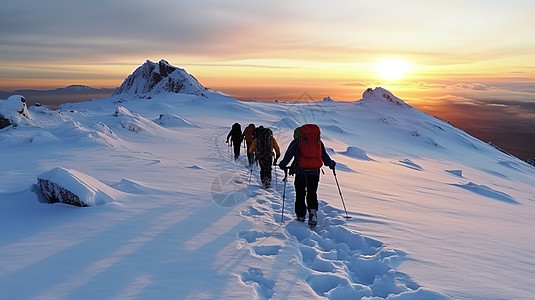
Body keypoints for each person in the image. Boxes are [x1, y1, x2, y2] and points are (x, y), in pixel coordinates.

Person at [278, 124, 335, 227]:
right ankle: (313, 213)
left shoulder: (296, 142)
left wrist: (282, 165)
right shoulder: (318, 143)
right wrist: (331, 164)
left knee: (300, 193)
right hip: (314, 172)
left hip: (301, 172)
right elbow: (325, 157)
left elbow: (288, 156)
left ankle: (300, 216)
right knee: (312, 192)